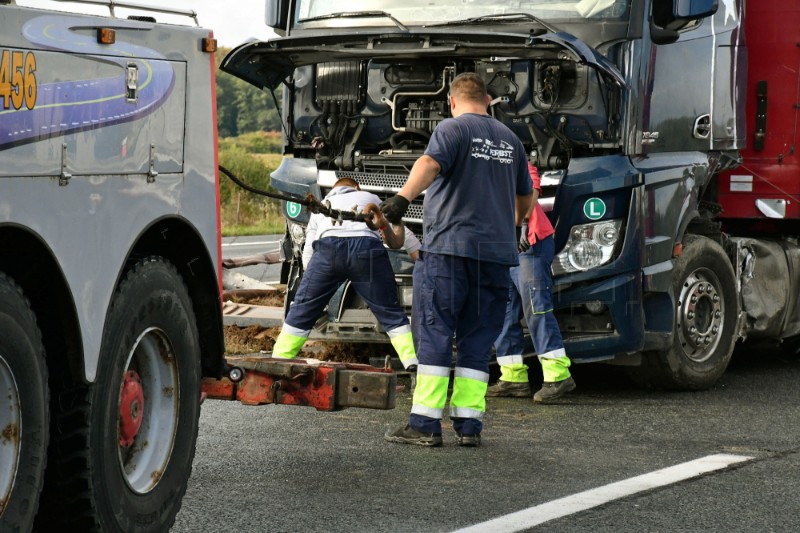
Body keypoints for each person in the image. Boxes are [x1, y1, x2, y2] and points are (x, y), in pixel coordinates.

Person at [381, 72, 533, 447]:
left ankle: (424, 424)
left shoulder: (453, 129)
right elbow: (525, 201)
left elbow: (429, 165)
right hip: (496, 257)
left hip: (450, 251)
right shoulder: (511, 141)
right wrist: (508, 226)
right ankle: (469, 426)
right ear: (488, 101)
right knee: (478, 338)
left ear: (452, 101)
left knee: (434, 332)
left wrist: (401, 200)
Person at [271, 177, 418, 370]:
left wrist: (313, 284)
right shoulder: (370, 197)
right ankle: (411, 362)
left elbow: (308, 252)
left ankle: (278, 361)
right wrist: (421, 258)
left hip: (329, 252)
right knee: (390, 310)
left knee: (302, 309)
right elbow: (402, 235)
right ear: (356, 187)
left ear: (332, 191)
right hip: (367, 251)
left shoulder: (323, 206)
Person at [487, 163, 576, 402]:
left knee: (536, 308)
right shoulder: (481, 166)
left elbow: (531, 191)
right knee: (503, 312)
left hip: (529, 243)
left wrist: (523, 225)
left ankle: (558, 376)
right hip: (503, 247)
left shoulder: (517, 162)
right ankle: (513, 378)